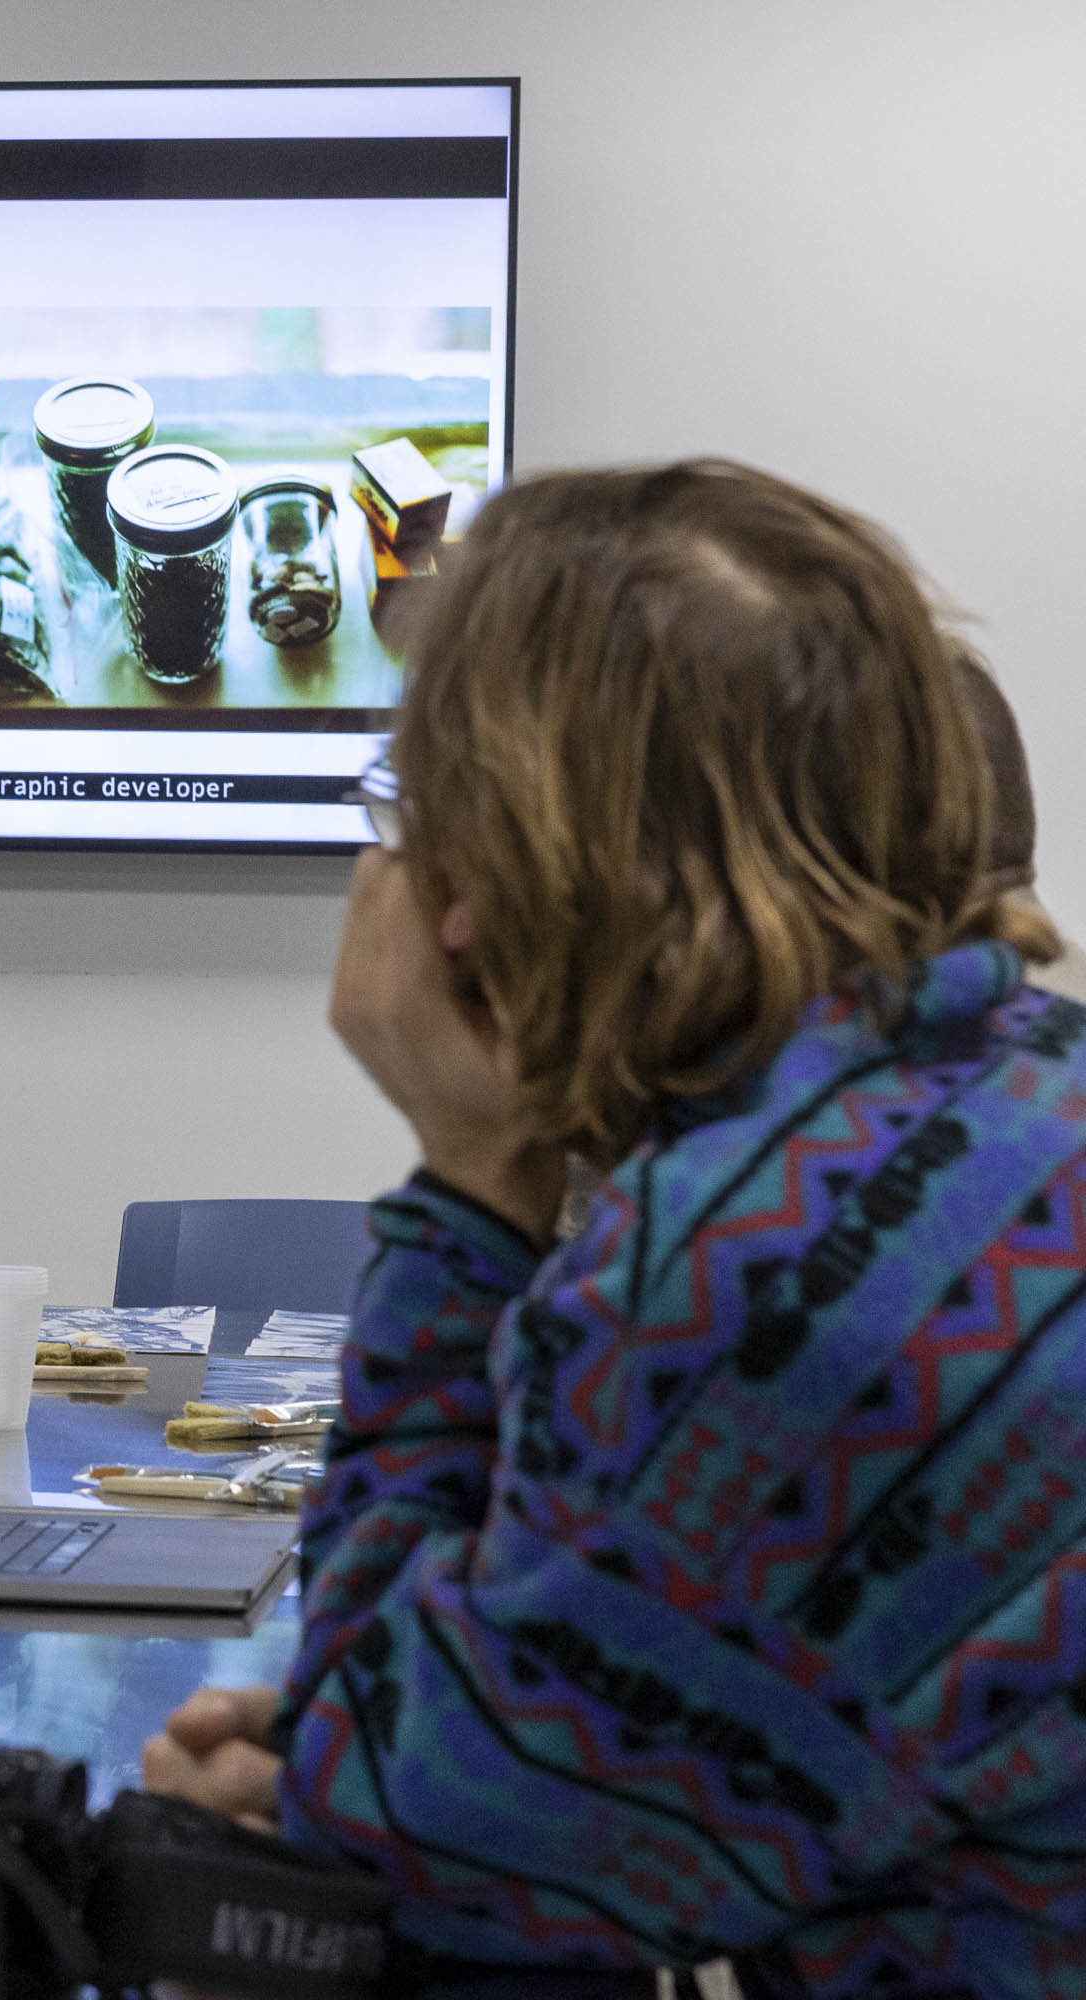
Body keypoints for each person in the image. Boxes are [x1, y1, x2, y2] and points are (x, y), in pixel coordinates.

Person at [140, 462, 1085, 1994]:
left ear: (542, 858)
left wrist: (467, 1181)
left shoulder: (755, 1280)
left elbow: (406, 1868)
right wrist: (397, 1749)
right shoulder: (1018, 1099)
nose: (418, 901)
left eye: (426, 816)